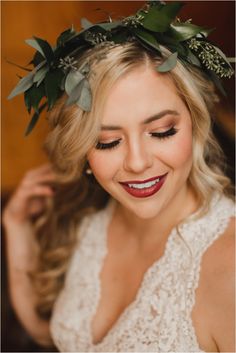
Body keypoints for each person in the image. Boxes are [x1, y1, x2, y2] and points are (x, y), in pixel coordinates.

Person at [3, 2, 235, 352]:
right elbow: (62, 339)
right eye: (108, 141)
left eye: (161, 131)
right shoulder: (90, 223)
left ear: (197, 126)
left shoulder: (230, 272)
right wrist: (16, 231)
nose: (138, 163)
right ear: (83, 150)